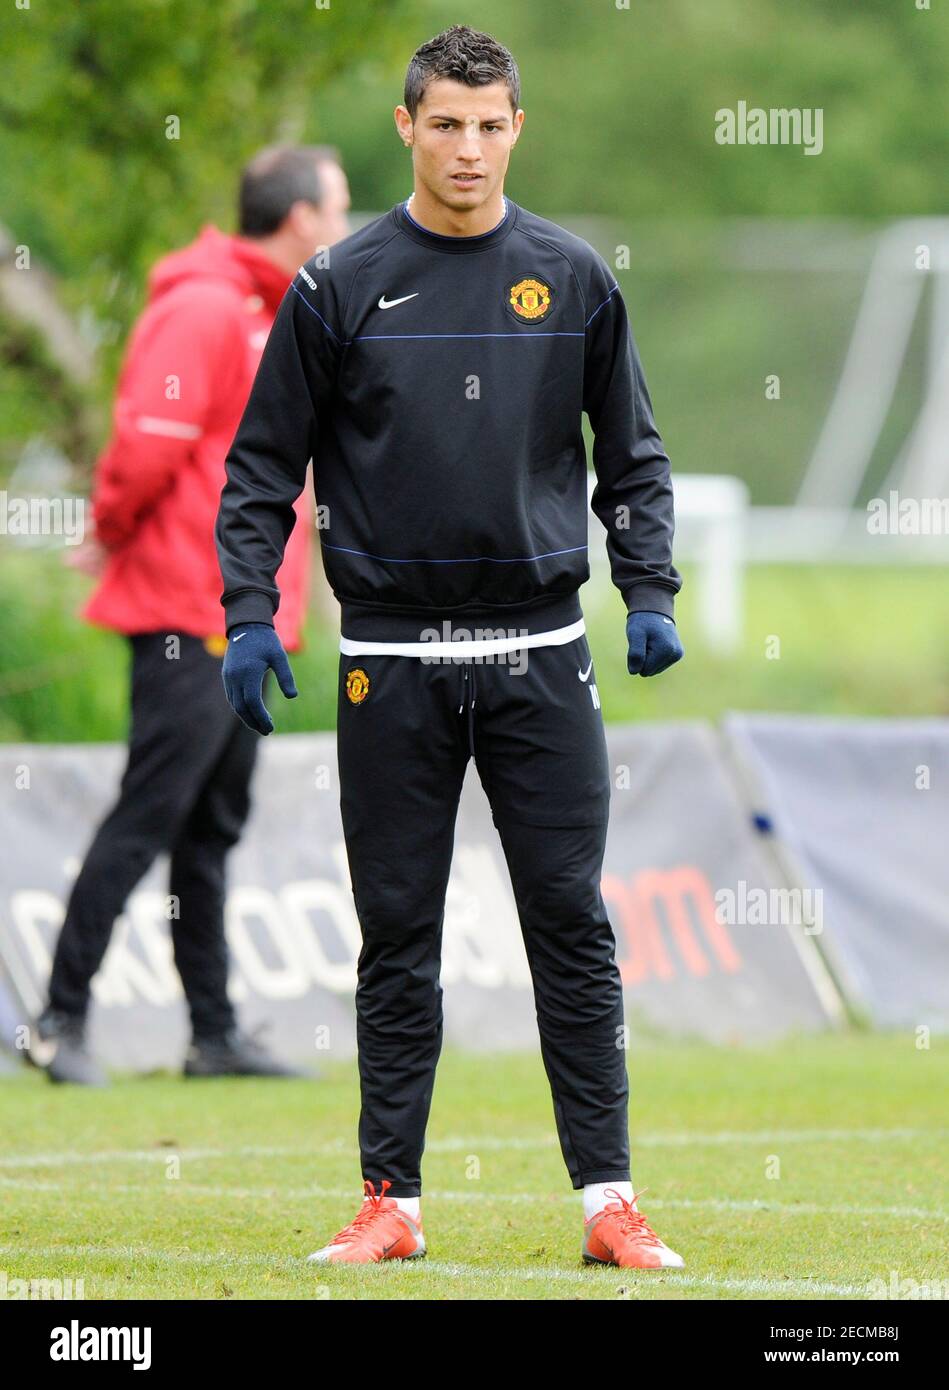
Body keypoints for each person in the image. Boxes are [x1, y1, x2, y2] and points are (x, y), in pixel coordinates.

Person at [216, 28, 686, 1268]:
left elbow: (633, 460)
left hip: (541, 647)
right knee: (397, 931)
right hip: (390, 660)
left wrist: (647, 589)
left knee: (570, 927)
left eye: (489, 125)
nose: (467, 147)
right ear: (407, 127)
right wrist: (247, 614)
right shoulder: (337, 283)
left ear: (516, 129)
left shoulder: (574, 278)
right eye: (446, 124)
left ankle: (607, 1204)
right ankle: (391, 1202)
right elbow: (263, 466)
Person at [30, 145, 351, 1086]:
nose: (344, 225)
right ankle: (56, 1021)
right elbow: (145, 446)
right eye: (336, 208)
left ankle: (212, 1035)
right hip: (185, 607)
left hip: (247, 616)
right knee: (149, 812)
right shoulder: (207, 305)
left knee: (212, 825)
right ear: (297, 219)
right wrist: (109, 529)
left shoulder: (271, 307)